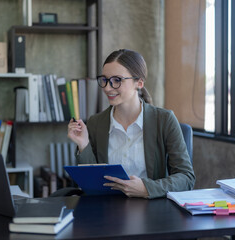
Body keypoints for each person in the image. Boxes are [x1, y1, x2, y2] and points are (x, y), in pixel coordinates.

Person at [67, 49, 195, 199]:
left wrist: (147, 188)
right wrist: (84, 144)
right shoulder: (96, 122)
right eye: (105, 80)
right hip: (108, 210)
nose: (108, 88)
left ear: (139, 82)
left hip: (154, 210)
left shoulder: (164, 120)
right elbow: (93, 183)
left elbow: (186, 177)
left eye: (117, 80)